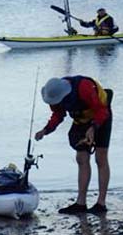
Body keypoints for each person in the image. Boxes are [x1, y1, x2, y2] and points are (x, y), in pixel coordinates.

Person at [35, 76, 113, 215]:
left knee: (100, 158)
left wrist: (93, 128)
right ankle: (80, 203)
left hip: (101, 115)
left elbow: (101, 110)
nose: (54, 103)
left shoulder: (84, 87)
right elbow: (58, 115)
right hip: (81, 119)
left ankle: (101, 204)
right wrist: (45, 130)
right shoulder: (54, 95)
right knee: (81, 159)